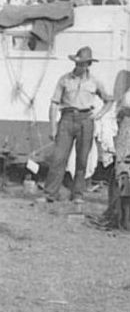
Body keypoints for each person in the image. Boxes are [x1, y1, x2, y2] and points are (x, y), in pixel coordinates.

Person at [41, 46, 113, 204]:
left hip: (86, 120)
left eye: (85, 63)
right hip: (66, 119)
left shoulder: (95, 82)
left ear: (89, 64)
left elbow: (109, 100)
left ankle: (78, 195)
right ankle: (49, 194)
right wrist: (53, 128)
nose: (81, 66)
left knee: (82, 159)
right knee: (59, 158)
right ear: (75, 62)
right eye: (79, 63)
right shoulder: (65, 79)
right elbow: (54, 104)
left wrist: (99, 115)